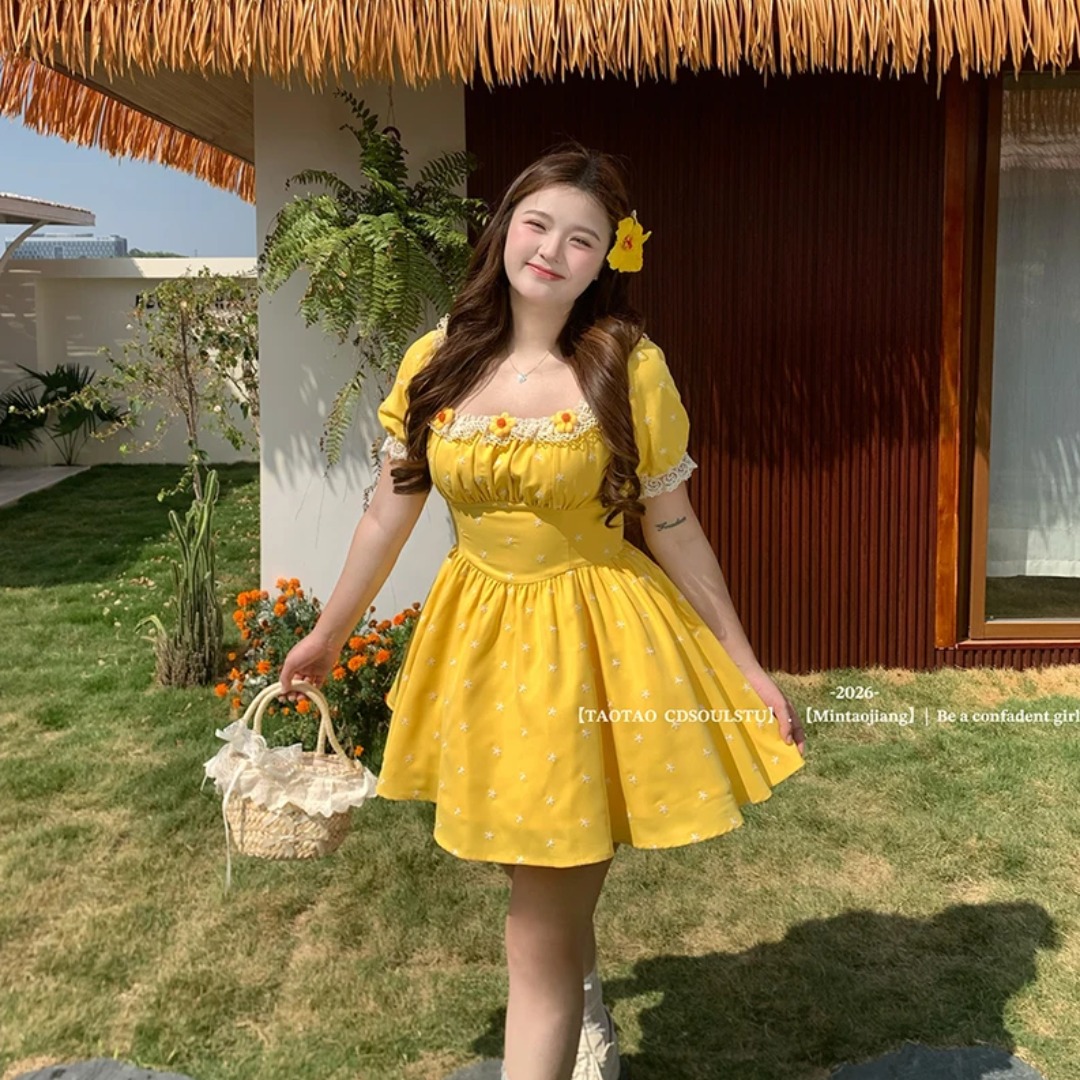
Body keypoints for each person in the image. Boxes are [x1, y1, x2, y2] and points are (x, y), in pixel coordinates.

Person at [278, 143, 808, 1080]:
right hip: (479, 644)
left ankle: (567, 1011)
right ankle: (584, 993)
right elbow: (388, 513)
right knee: (533, 857)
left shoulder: (627, 367)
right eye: (538, 224)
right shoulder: (437, 359)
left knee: (535, 923)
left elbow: (673, 524)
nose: (553, 251)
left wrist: (746, 663)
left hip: (592, 645)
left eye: (582, 239)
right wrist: (329, 633)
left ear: (608, 259)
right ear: (504, 228)